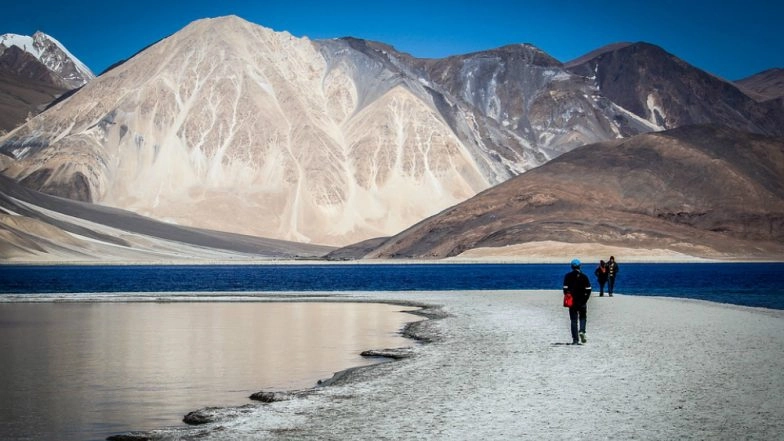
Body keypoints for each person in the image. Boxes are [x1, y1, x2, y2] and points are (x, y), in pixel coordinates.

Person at [563, 258, 592, 345]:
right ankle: (582, 331)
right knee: (583, 317)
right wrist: (585, 299)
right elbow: (589, 289)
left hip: (572, 302)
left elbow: (565, 289)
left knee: (573, 320)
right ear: (580, 266)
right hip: (582, 301)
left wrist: (568, 296)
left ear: (571, 267)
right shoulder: (584, 276)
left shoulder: (567, 276)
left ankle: (575, 340)